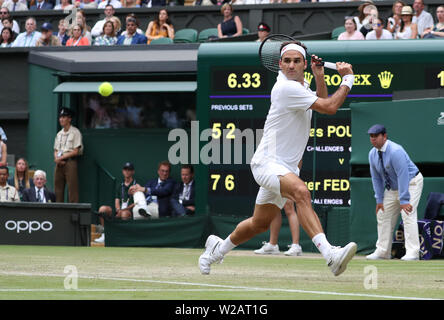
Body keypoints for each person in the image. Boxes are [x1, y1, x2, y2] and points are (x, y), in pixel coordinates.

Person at [199, 41, 357, 277]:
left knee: (258, 224)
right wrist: (348, 80)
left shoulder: (301, 85)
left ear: (304, 64)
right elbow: (330, 107)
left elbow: (318, 105)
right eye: (287, 61)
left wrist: (319, 76)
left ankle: (216, 250)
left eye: (296, 61)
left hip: (284, 166)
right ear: (280, 64)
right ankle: (330, 255)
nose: (291, 65)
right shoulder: (285, 88)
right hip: (267, 163)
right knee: (301, 192)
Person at [366, 124, 423, 261]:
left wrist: (404, 200)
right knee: (382, 214)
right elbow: (376, 178)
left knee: (407, 213)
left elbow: (403, 175)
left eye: (376, 136)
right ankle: (382, 251)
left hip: (412, 183)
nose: (373, 139)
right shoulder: (372, 154)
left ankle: (413, 253)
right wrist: (379, 200)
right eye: (371, 137)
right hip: (392, 188)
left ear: (384, 137)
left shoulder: (395, 151)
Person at [94, 162, 137, 244]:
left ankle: (124, 236)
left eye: (129, 169)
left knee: (124, 213)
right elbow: (117, 200)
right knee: (103, 209)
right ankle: (105, 234)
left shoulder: (136, 185)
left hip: (129, 212)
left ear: (133, 172)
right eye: (125, 169)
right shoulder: (119, 186)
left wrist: (123, 210)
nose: (127, 171)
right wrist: (118, 210)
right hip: (119, 211)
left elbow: (135, 203)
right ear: (122, 171)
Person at [53, 107, 83, 203]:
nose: (61, 119)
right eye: (60, 117)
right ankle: (58, 210)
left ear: (69, 119)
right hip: (59, 163)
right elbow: (56, 149)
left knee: (72, 188)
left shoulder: (75, 132)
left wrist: (61, 157)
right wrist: (57, 159)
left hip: (70, 162)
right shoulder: (59, 134)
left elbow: (75, 151)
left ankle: (73, 211)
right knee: (58, 188)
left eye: (64, 117)